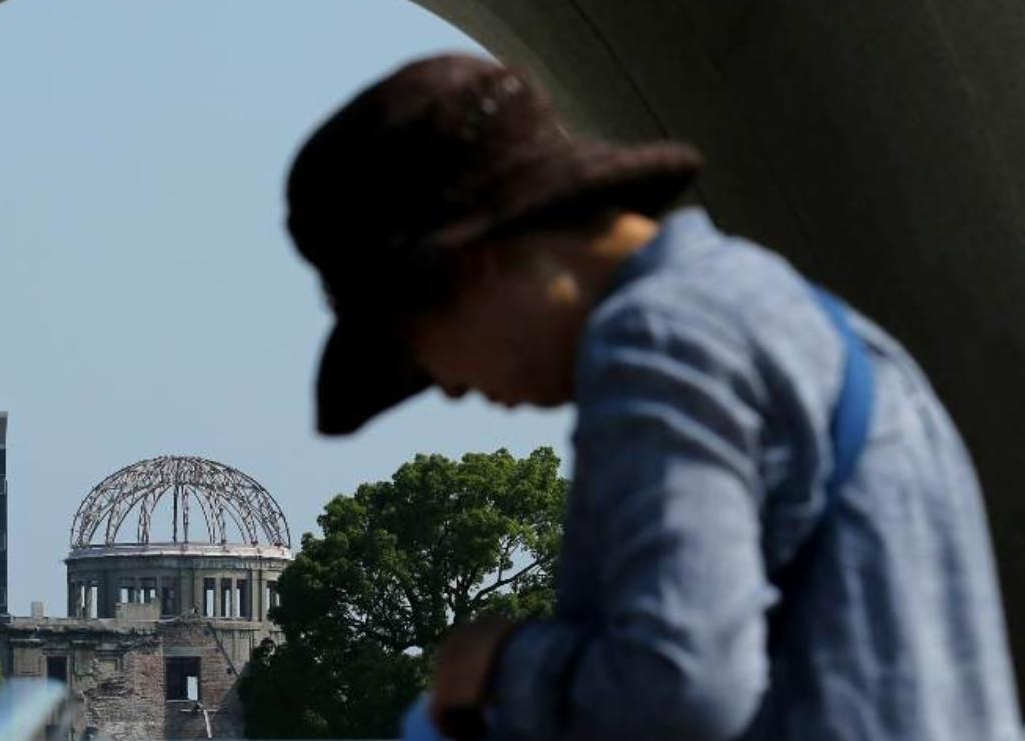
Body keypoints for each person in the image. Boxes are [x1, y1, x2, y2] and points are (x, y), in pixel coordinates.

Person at [284, 53, 1021, 740]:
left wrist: (500, 666)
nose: (448, 388)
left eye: (419, 352)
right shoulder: (776, 311)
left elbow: (681, 684)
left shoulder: (659, 342)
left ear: (477, 269)